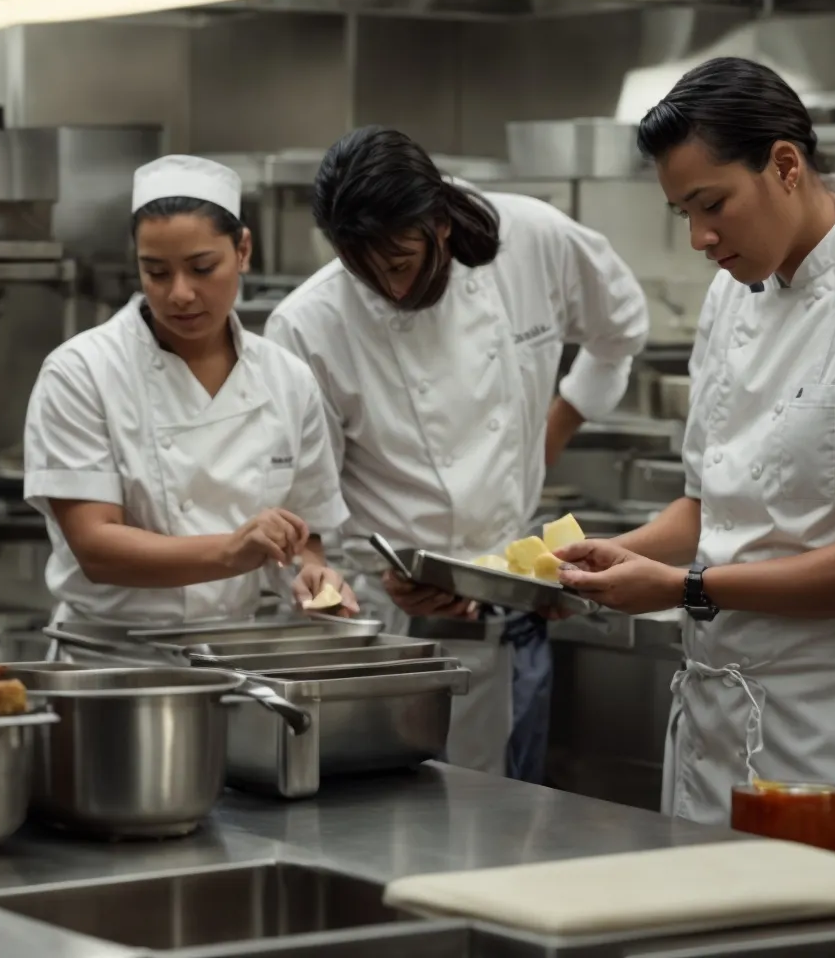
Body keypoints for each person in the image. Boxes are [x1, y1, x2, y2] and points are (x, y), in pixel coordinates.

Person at [553, 57, 835, 866]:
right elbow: (713, 504)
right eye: (682, 214)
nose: (700, 239)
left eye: (712, 205)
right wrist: (623, 556)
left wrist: (688, 586)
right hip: (719, 719)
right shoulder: (738, 290)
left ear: (786, 165)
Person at [266, 127, 649, 777]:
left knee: (502, 831)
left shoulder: (533, 239)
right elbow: (304, 510)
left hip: (505, 609)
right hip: (381, 628)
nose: (386, 287)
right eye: (363, 270)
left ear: (439, 223)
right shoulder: (308, 326)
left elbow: (622, 328)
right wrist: (365, 578)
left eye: (399, 263)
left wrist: (550, 431)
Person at [23, 155, 357, 662]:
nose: (179, 294)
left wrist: (311, 572)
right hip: (111, 663)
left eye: (202, 268)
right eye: (155, 272)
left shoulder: (287, 381)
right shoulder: (81, 371)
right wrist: (232, 551)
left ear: (242, 250)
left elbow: (305, 532)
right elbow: (96, 549)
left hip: (235, 659)